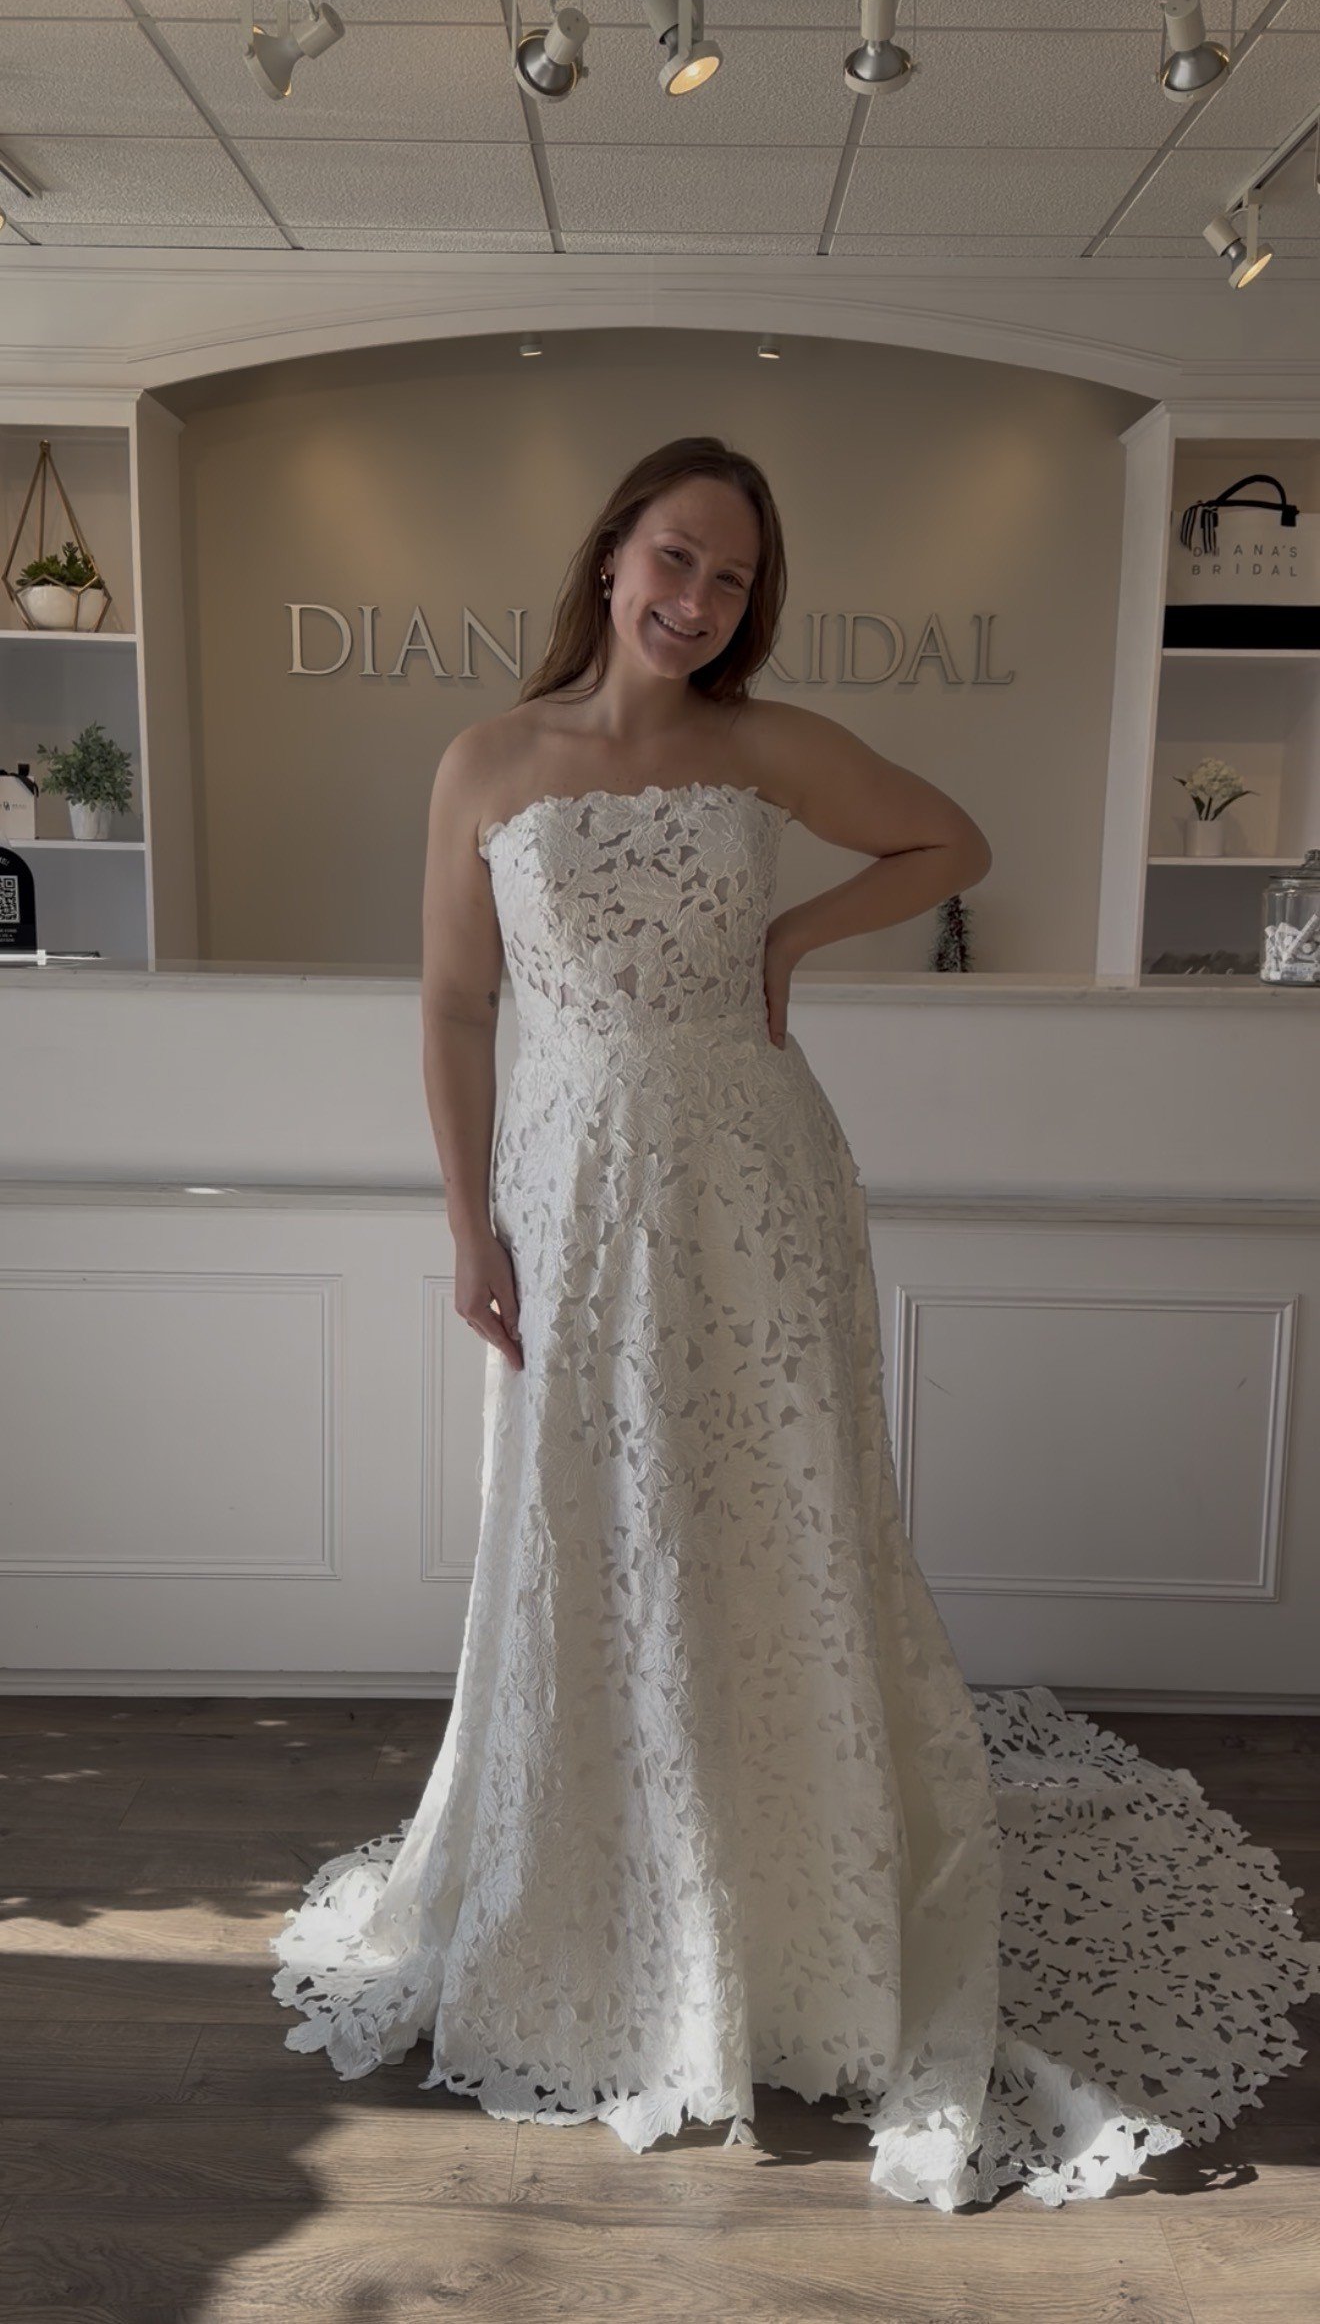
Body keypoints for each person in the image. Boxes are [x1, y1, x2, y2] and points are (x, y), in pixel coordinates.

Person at [271, 435, 1320, 2211]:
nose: (697, 601)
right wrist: (471, 1226)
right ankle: (616, 1895)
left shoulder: (766, 749)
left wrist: (799, 936)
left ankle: (794, 1902)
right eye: (676, 559)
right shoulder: (488, 762)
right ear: (612, 556)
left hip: (757, 1187)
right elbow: (457, 1011)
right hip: (577, 1198)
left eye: (735, 580)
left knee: (772, 1526)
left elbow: (953, 839)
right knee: (591, 1534)